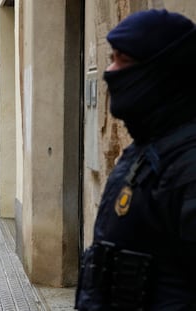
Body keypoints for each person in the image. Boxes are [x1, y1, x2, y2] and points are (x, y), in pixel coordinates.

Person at [75, 9, 196, 310]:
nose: (110, 72)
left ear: (162, 73)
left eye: (123, 61)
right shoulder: (144, 150)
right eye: (111, 58)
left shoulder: (188, 164)